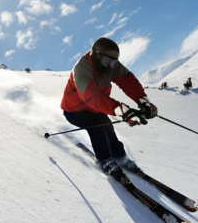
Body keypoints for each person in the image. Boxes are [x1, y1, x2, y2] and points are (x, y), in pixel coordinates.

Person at [61, 37, 158, 175]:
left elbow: (128, 81)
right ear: (95, 54)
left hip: (96, 108)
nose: (108, 65)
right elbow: (91, 97)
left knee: (107, 125)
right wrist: (122, 111)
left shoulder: (111, 66)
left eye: (113, 62)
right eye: (106, 61)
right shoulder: (81, 69)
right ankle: (104, 159)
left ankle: (120, 156)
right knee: (97, 125)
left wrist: (143, 101)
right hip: (75, 111)